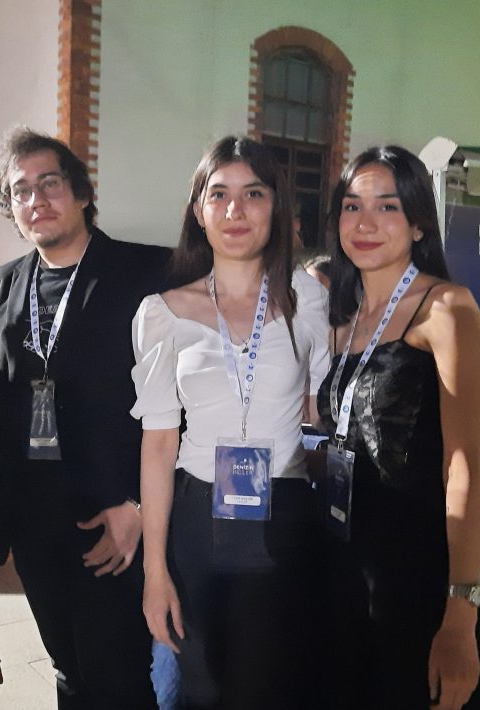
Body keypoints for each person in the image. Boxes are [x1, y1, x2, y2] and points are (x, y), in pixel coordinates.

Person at [131, 135, 330, 709]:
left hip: (285, 514)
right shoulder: (163, 313)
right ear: (199, 211)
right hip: (198, 516)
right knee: (202, 685)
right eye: (218, 194)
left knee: (275, 683)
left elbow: (322, 410)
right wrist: (154, 571)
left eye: (254, 193)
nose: (235, 209)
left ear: (277, 207)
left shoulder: (308, 301)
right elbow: (158, 446)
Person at [0, 127, 171, 709]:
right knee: (67, 669)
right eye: (20, 191)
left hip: (113, 515)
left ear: (82, 193)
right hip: (36, 519)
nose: (36, 199)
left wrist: (139, 507)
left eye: (50, 183)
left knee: (118, 676)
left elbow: (180, 400)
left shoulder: (149, 272)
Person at [316, 146, 480, 710]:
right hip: (346, 563)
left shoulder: (446, 309)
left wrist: (461, 611)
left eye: (387, 206)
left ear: (418, 224)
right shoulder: (342, 317)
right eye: (352, 206)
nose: (365, 223)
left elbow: (463, 465)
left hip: (416, 570)